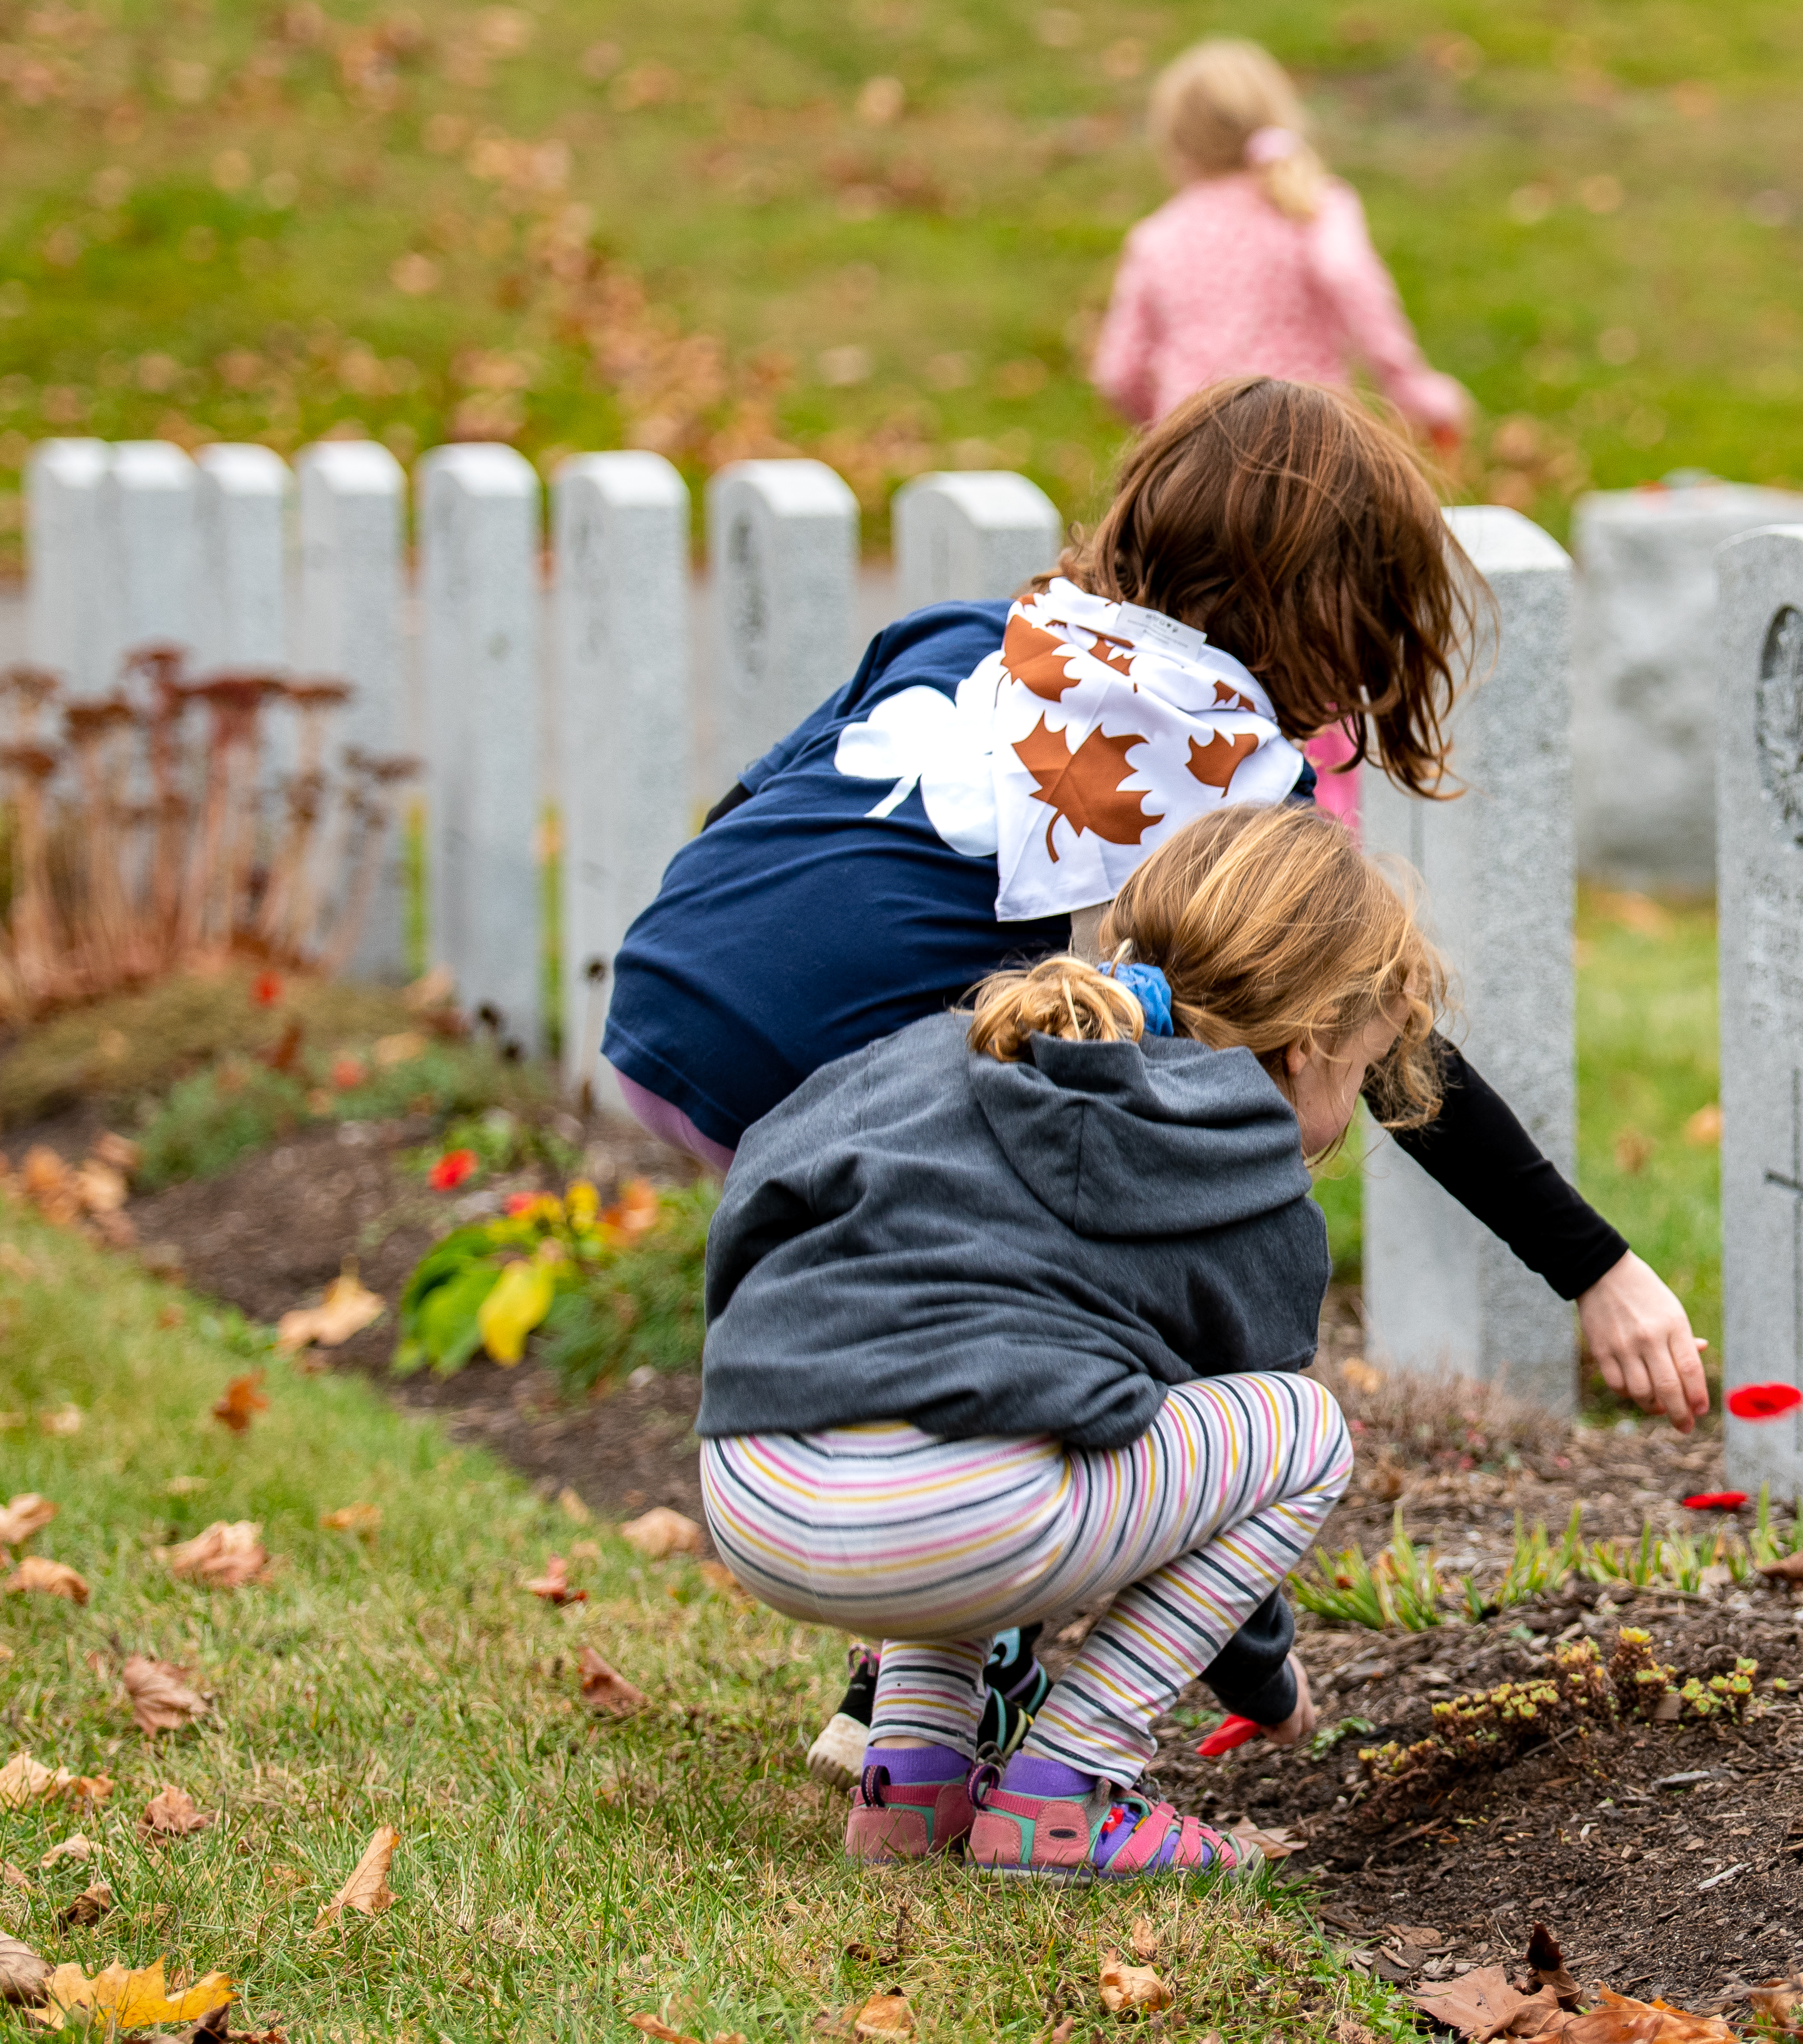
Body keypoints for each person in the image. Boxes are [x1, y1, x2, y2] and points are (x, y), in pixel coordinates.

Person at [601, 380, 1706, 1785]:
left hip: (678, 993)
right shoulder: (1234, 777)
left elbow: (756, 803)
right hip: (835, 1050)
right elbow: (1379, 1038)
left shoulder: (974, 636)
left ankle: (908, 1692)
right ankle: (954, 1673)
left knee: (956, 1285)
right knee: (1075, 1271)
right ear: (1331, 614)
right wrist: (1594, 1266)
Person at [702, 804, 1425, 1873]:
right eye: (1365, 1069)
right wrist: (1268, 1683)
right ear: (1311, 1041)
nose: (1357, 1099)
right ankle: (1065, 1794)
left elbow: (753, 1196)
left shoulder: (948, 1049)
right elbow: (1228, 1488)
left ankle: (911, 1786)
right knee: (1302, 1430)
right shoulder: (1249, 1187)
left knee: (973, 1386)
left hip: (750, 1487)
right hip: (944, 1523)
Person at [1092, 38, 1476, 829]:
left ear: (1178, 141)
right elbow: (1358, 297)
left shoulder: (1160, 238)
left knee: (1193, 661)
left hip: (1195, 499)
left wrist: (1163, 428)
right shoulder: (1313, 213)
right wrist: (1417, 394)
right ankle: (1322, 819)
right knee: (1316, 652)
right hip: (1310, 488)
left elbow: (1116, 371)